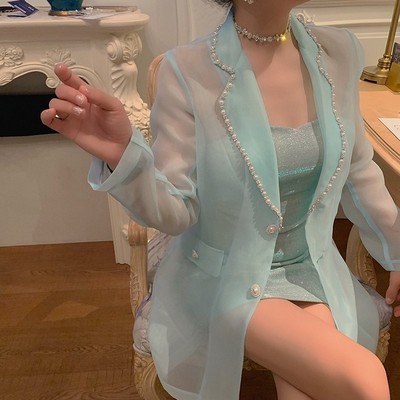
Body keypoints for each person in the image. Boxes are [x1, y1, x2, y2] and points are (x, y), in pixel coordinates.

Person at [41, 0, 400, 399]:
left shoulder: (338, 54)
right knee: (364, 377)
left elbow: (358, 171)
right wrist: (124, 158)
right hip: (224, 277)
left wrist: (396, 253)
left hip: (311, 268)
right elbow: (176, 210)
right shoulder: (187, 71)